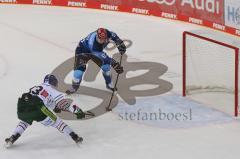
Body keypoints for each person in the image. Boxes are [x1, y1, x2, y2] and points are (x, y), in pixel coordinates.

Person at [4, 74, 87, 148]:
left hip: (23, 106)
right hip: (39, 109)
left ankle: (13, 137)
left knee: (24, 121)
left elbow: (50, 103)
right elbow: (64, 104)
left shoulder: (37, 87)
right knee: (58, 122)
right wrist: (77, 111)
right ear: (54, 83)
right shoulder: (51, 89)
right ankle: (75, 137)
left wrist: (55, 108)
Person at [66, 28, 126, 94]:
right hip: (82, 51)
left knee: (106, 67)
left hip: (97, 51)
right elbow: (103, 57)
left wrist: (120, 44)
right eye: (100, 39)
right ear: (97, 36)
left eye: (104, 39)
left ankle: (109, 84)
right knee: (78, 73)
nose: (102, 41)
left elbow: (115, 37)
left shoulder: (108, 33)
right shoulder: (93, 44)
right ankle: (74, 86)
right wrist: (114, 64)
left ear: (106, 36)